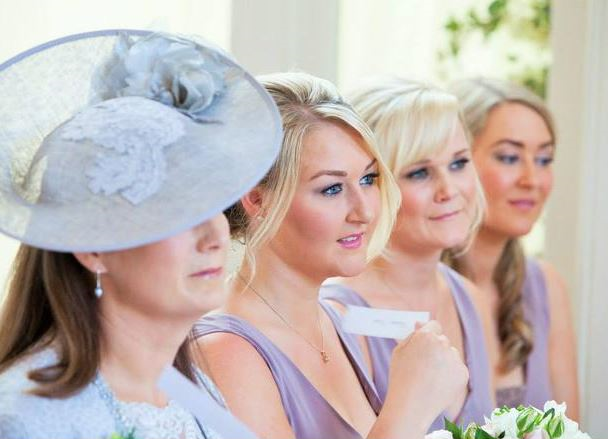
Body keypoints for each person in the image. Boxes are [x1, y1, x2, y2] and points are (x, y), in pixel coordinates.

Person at [0, 29, 281, 438]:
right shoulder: (28, 419)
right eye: (178, 214)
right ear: (93, 249)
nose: (214, 237)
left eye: (213, 206)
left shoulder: (195, 393)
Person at [193, 72, 469, 439]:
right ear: (257, 200)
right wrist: (409, 408)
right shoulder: (226, 353)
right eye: (332, 188)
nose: (364, 211)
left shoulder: (336, 323)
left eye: (368, 180)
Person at [320, 78, 496, 431]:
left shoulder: (470, 300)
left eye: (459, 163)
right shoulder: (337, 318)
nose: (449, 190)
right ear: (371, 185)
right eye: (420, 173)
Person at [446, 77, 579, 417]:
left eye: (545, 159)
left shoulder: (545, 287)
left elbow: (571, 430)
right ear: (455, 163)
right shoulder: (413, 288)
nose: (532, 180)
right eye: (509, 157)